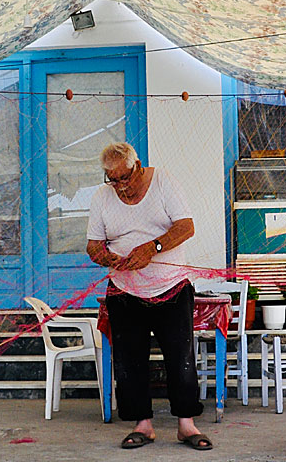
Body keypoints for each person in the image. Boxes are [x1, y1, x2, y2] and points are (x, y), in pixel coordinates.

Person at [86, 142, 213, 451]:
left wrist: (152, 248)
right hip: (124, 291)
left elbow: (186, 227)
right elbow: (93, 246)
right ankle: (142, 425)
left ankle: (186, 425)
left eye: (125, 178)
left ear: (138, 167)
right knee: (129, 359)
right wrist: (108, 258)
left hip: (170, 287)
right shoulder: (102, 198)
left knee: (180, 357)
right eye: (112, 179)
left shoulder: (162, 182)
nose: (120, 186)